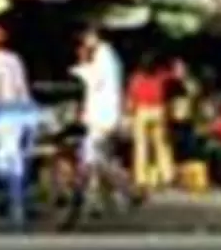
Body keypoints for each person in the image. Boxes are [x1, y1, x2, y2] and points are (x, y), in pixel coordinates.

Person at [74, 24, 131, 211]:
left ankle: (121, 189)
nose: (84, 41)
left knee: (92, 157)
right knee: (101, 156)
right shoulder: (110, 56)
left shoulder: (103, 55)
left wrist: (80, 67)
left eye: (87, 37)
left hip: (103, 115)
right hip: (104, 114)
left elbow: (95, 81)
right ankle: (109, 197)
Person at [127, 50, 179, 193]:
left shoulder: (136, 78)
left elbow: (131, 98)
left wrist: (129, 114)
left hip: (142, 111)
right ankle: (167, 175)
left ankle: (141, 178)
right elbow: (176, 78)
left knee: (141, 146)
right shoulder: (161, 75)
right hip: (158, 110)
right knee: (162, 145)